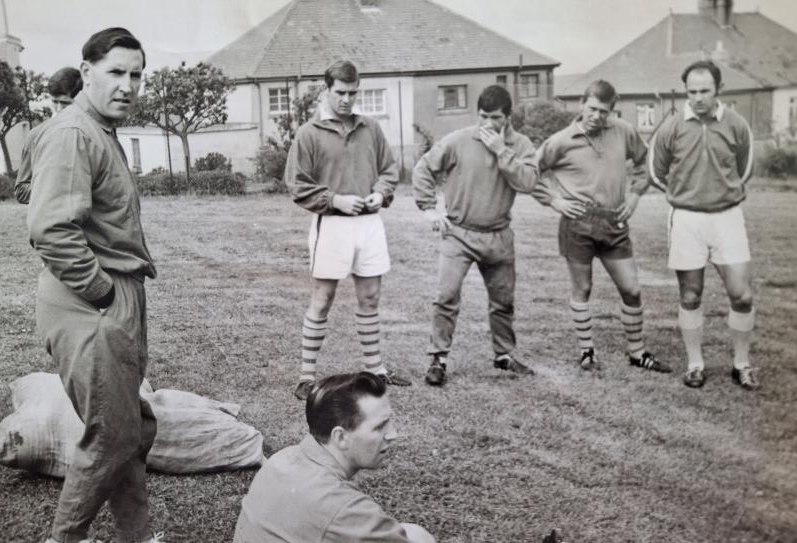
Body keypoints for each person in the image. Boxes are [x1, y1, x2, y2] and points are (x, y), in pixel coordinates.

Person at [28, 28, 162, 543]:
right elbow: (50, 229)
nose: (128, 85)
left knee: (129, 426)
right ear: (86, 73)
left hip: (112, 297)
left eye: (136, 75)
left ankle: (138, 534)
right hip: (92, 303)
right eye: (116, 73)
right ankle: (66, 538)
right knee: (113, 434)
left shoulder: (97, 128)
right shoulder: (73, 133)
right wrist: (103, 292)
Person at [285, 60, 410, 400]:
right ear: (326, 90)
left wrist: (380, 193)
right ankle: (306, 376)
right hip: (332, 225)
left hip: (368, 225)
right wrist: (335, 200)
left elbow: (388, 169)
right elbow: (297, 184)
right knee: (322, 299)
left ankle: (375, 370)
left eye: (353, 93)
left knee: (370, 298)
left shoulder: (370, 127)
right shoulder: (309, 133)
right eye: (340, 92)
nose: (346, 100)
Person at [532, 80, 670, 374]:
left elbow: (648, 162)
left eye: (604, 112)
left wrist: (634, 194)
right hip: (577, 223)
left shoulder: (623, 131)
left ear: (612, 112)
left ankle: (637, 353)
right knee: (583, 288)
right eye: (592, 109)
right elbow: (530, 171)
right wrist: (554, 200)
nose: (597, 116)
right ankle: (587, 352)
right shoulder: (560, 140)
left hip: (614, 221)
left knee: (631, 289)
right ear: (582, 105)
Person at [412, 84, 539, 387]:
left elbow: (529, 181)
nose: (487, 124)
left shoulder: (520, 146)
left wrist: (501, 151)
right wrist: (429, 209)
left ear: (507, 118)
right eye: (482, 116)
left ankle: (504, 355)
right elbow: (424, 169)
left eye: (494, 117)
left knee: (503, 301)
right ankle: (438, 359)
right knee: (446, 296)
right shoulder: (458, 140)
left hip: (498, 236)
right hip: (459, 234)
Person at [648, 60, 759, 390]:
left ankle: (741, 364)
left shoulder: (736, 124)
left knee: (742, 295)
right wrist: (683, 194)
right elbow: (656, 171)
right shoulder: (672, 127)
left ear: (719, 90)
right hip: (686, 219)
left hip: (727, 218)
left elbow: (746, 168)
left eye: (705, 91)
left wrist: (723, 191)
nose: (698, 98)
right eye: (692, 91)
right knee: (691, 295)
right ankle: (695, 364)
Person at [233, 372, 436, 543]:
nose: (393, 434)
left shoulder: (282, 457)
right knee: (418, 536)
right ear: (340, 437)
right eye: (379, 427)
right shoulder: (345, 508)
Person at [14, 67, 83, 204]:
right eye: (54, 102)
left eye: (65, 103)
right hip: (52, 222)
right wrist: (58, 188)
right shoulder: (35, 136)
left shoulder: (95, 133)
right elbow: (21, 191)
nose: (58, 109)